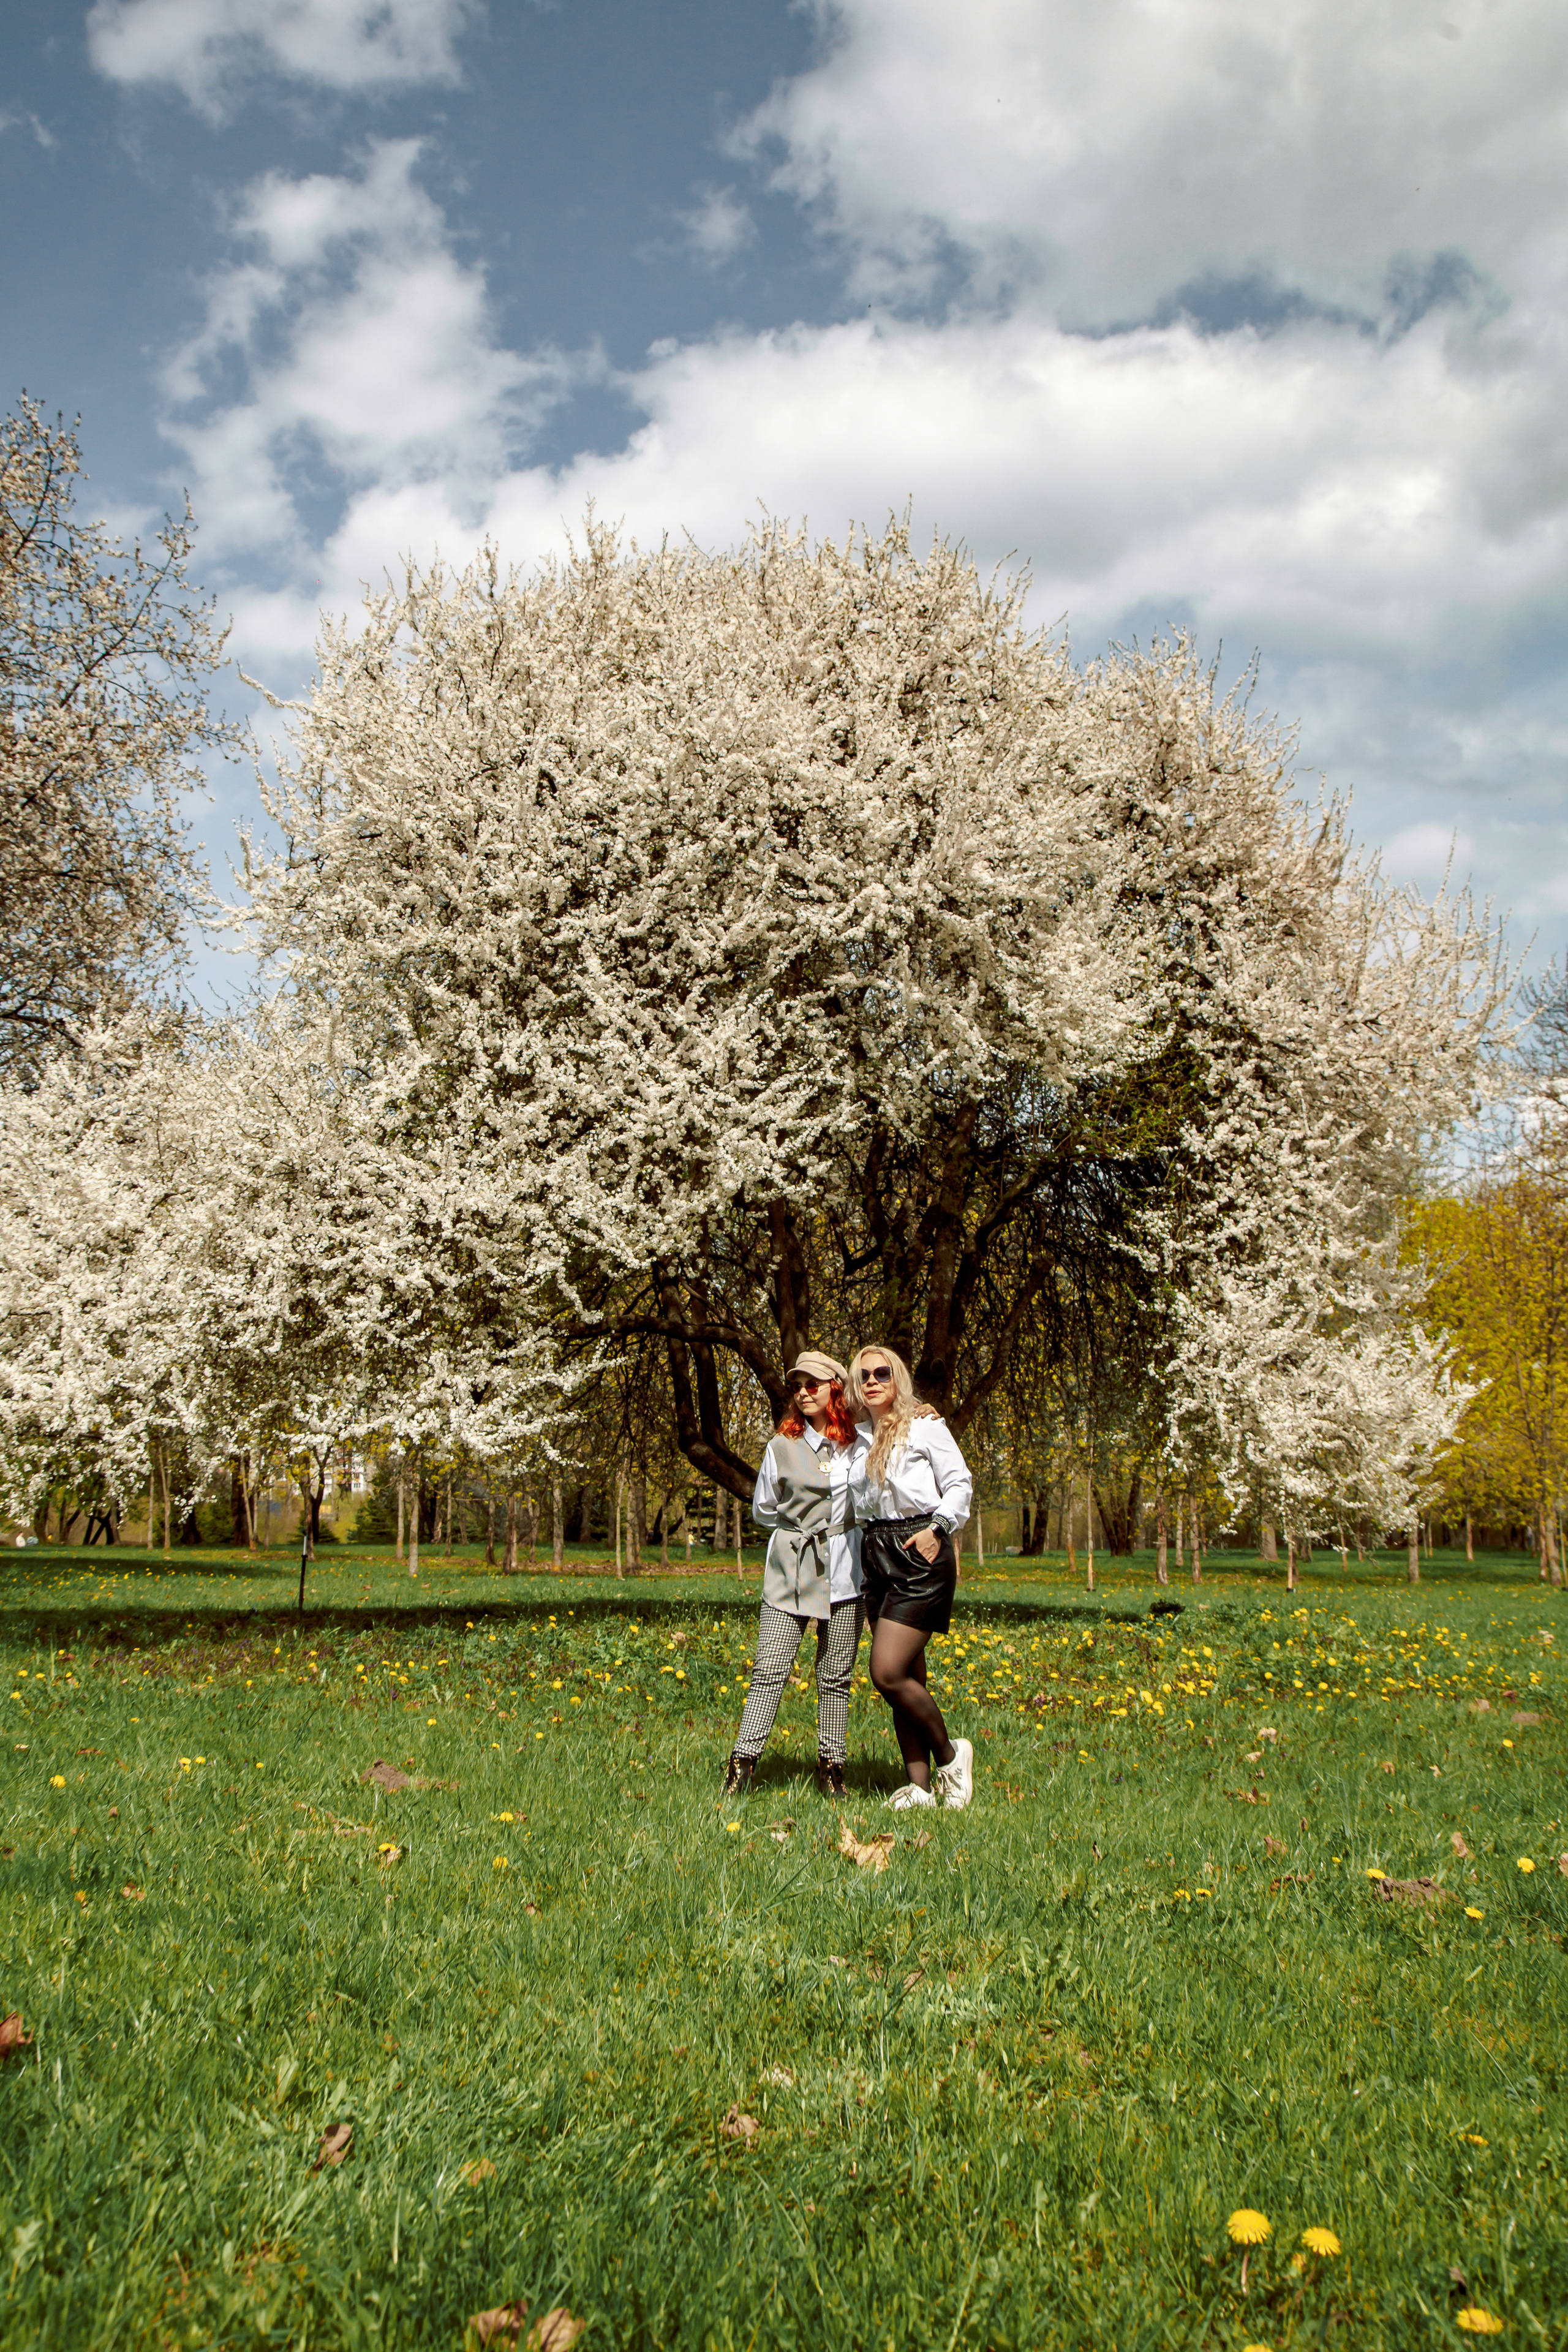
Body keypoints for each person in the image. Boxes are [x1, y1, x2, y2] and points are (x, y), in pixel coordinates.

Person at [722, 1350, 867, 1800]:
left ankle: (832, 1770)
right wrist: (798, 1533)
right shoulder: (780, 1445)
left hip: (847, 1568)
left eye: (814, 1384)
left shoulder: (861, 1444)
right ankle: (742, 1767)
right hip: (793, 1566)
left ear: (835, 1390)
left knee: (836, 1675)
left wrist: (921, 1408)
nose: (804, 1392)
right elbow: (764, 1509)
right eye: (798, 1385)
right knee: (770, 1668)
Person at [848, 1343, 974, 1811]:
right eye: (864, 1376)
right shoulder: (858, 1438)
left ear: (897, 1378)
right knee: (908, 1673)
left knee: (885, 1672)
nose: (873, 1381)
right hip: (876, 1556)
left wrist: (936, 1530)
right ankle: (918, 1789)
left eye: (882, 1372)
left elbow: (960, 1483)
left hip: (919, 1553)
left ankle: (951, 1758)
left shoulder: (926, 1427)